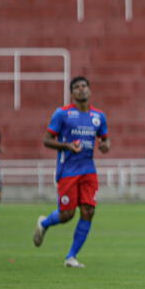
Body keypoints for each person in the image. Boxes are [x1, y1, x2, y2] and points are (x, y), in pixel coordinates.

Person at [32, 76, 110, 268]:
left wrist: (105, 146)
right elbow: (47, 140)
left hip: (88, 169)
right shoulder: (62, 114)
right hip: (68, 170)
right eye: (77, 87)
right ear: (72, 93)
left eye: (84, 86)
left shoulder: (99, 116)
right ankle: (44, 223)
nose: (81, 89)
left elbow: (105, 139)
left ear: (89, 90)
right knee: (67, 214)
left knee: (88, 211)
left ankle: (71, 256)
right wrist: (67, 145)